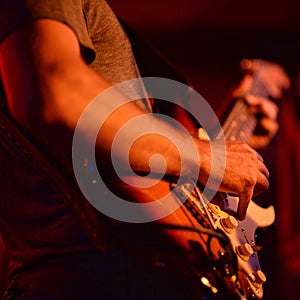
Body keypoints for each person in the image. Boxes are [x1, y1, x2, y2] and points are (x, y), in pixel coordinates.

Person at [0, 0, 290, 299]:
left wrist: (221, 146)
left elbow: (130, 152)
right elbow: (53, 90)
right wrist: (206, 156)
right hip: (104, 277)